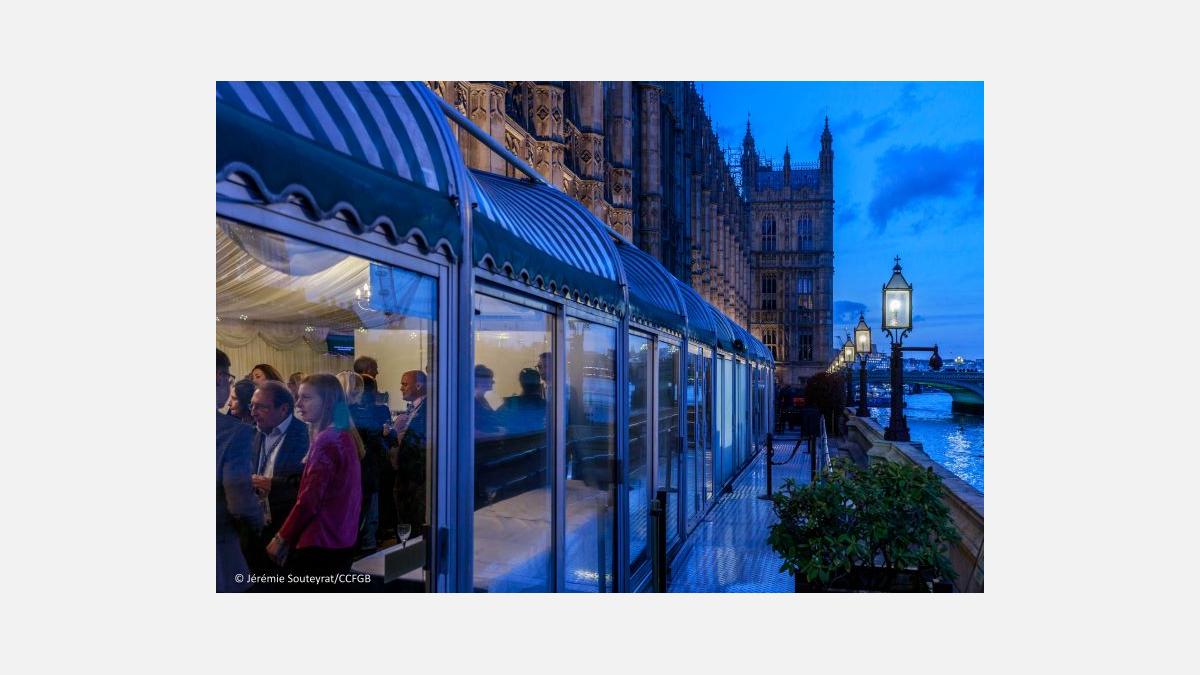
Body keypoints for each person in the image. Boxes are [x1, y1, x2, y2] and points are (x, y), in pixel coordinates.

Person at [266, 374, 364, 582]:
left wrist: (282, 537)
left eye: (306, 397)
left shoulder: (327, 440)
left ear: (327, 401)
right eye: (299, 397)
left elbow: (309, 500)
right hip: (341, 538)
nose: (298, 404)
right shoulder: (343, 434)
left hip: (321, 541)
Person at [245, 380, 308, 573]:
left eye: (261, 407)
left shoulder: (305, 435)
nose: (253, 412)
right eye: (251, 406)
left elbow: (307, 485)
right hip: (255, 525)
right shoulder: (253, 433)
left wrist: (272, 484)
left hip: (287, 527)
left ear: (283, 409)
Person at [216, 349, 263, 592]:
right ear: (218, 377)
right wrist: (257, 522)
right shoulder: (233, 432)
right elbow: (239, 501)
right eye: (229, 378)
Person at [338, 370, 384, 551]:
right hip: (363, 470)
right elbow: (375, 434)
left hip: (349, 473)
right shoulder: (356, 412)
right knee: (365, 520)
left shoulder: (337, 412)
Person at [391, 370, 427, 532]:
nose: (401, 388)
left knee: (414, 525)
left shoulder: (427, 409)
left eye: (405, 384)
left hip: (415, 479)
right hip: (407, 477)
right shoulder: (415, 408)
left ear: (418, 386)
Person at [474, 364, 500, 434]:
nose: (493, 382)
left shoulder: (483, 400)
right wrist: (494, 435)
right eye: (490, 379)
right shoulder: (472, 403)